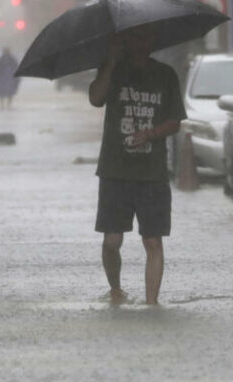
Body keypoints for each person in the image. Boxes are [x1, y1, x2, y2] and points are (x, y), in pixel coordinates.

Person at [88, 24, 187, 305]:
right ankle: (116, 288)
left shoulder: (165, 75)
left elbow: (175, 121)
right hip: (114, 170)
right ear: (126, 41)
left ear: (153, 39)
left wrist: (151, 133)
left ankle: (152, 303)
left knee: (153, 241)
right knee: (112, 242)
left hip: (151, 173)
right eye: (134, 36)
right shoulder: (114, 71)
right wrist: (110, 61)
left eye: (145, 36)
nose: (140, 42)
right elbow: (96, 98)